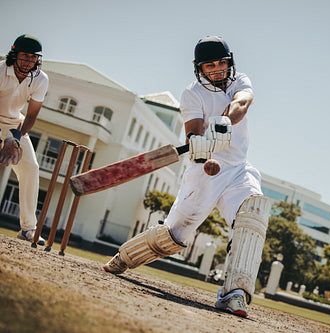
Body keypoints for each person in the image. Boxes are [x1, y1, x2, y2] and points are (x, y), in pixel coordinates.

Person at [103, 36, 270, 318]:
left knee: (253, 214)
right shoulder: (192, 93)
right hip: (204, 172)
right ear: (199, 68)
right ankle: (126, 257)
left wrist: (224, 121)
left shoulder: (240, 81)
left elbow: (243, 102)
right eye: (210, 66)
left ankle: (234, 293)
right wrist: (201, 150)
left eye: (221, 63)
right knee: (174, 235)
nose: (217, 70)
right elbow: (192, 131)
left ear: (229, 62)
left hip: (239, 169)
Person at [0, 34, 49, 245]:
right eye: (24, 56)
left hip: (15, 124)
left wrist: (14, 138)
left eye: (33, 57)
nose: (29, 61)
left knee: (31, 167)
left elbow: (30, 116)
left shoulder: (40, 79)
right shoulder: (1, 70)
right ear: (14, 54)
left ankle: (28, 228)